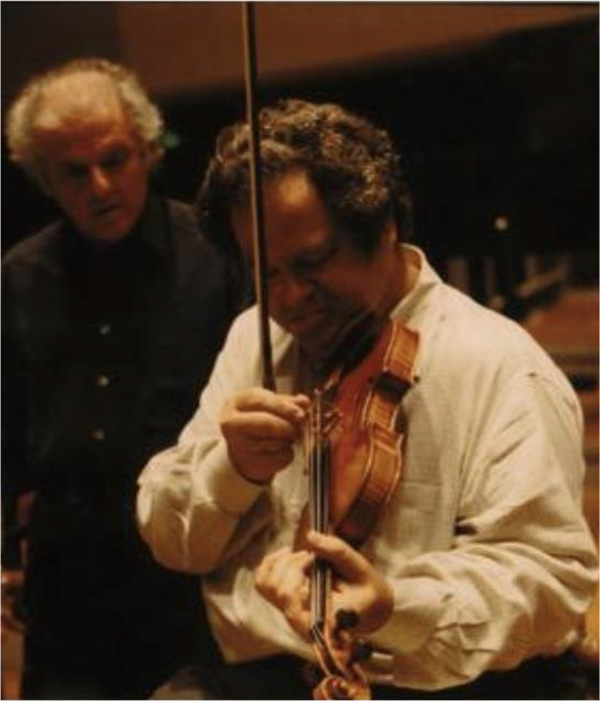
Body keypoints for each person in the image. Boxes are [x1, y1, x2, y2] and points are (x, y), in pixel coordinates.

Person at [136, 99, 598, 699]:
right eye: (265, 273)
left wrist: (396, 606)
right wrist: (233, 469)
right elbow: (171, 539)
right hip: (262, 678)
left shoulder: (499, 364)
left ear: (385, 227)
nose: (289, 299)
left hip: (440, 686)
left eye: (313, 262)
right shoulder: (256, 337)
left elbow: (550, 584)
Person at [1, 58, 238, 699]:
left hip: (187, 570)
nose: (101, 186)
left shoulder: (215, 254)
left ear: (148, 150)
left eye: (115, 159)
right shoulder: (19, 276)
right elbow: (8, 427)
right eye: (74, 172)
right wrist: (9, 556)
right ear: (44, 179)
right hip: (67, 577)